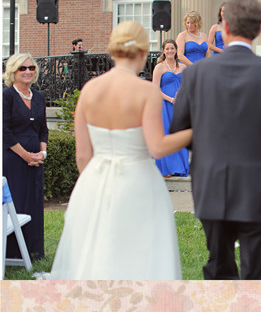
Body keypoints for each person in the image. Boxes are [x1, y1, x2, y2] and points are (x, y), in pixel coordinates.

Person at [171, 0, 261, 280]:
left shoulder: (195, 75)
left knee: (219, 272)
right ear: (260, 30)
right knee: (260, 277)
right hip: (260, 189)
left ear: (223, 28)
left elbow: (178, 132)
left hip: (211, 186)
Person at [49, 21, 192, 279]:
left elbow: (82, 155)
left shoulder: (89, 90)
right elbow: (158, 147)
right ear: (141, 53)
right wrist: (195, 132)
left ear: (112, 51)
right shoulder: (145, 91)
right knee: (140, 257)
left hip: (94, 182)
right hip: (138, 182)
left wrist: (95, 182)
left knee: (97, 257)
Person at [3, 53, 47, 261]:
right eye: (22, 68)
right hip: (12, 159)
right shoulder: (6, 96)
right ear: (13, 72)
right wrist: (26, 155)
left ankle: (33, 251)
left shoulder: (39, 97)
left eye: (31, 68)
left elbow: (43, 130)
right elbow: (5, 131)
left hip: (35, 161)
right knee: (17, 201)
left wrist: (42, 153)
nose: (28, 71)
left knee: (34, 202)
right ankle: (12, 253)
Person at [152, 39, 190, 177]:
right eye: (167, 49)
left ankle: (180, 167)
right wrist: (171, 99)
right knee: (167, 134)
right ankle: (167, 169)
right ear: (163, 51)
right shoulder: (160, 67)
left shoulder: (183, 67)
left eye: (172, 48)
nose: (170, 51)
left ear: (176, 50)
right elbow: (155, 89)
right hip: (165, 105)